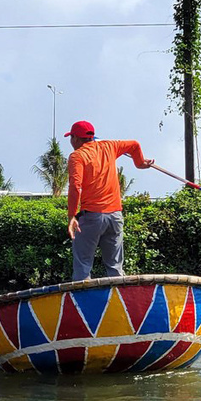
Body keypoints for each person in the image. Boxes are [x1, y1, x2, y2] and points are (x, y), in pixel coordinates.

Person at [64, 120, 153, 281]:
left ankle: (83, 304)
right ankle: (119, 303)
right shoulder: (109, 146)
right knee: (115, 268)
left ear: (76, 139)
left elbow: (75, 186)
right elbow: (134, 144)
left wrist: (71, 216)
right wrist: (139, 163)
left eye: (71, 138)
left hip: (92, 217)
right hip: (115, 217)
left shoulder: (77, 156)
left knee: (83, 267)